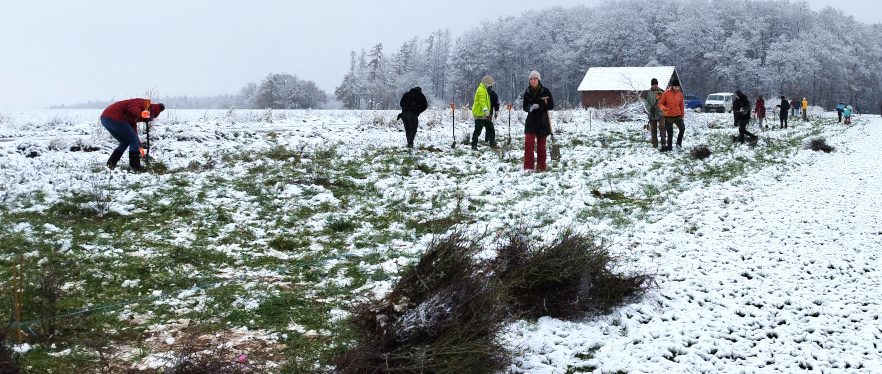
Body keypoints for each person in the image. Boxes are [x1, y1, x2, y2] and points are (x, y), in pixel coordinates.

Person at [100, 98, 165, 171]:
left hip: (106, 119)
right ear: (151, 112)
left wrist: (139, 145)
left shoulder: (134, 117)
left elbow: (133, 131)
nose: (149, 120)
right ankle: (135, 166)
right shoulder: (143, 103)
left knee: (125, 142)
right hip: (115, 116)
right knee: (133, 140)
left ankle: (111, 164)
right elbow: (131, 107)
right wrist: (141, 114)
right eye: (150, 117)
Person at [522, 70, 554, 171]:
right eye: (531, 79)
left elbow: (551, 105)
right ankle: (528, 167)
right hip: (531, 122)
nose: (533, 81)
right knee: (529, 144)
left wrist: (540, 106)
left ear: (538, 80)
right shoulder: (527, 92)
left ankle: (541, 167)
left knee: (541, 147)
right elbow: (524, 107)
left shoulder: (545, 91)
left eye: (535, 79)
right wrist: (529, 108)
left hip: (543, 122)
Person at [658, 79, 685, 152]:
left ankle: (678, 144)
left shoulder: (680, 94)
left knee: (682, 128)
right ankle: (669, 146)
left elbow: (681, 105)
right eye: (675, 87)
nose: (676, 88)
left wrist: (682, 115)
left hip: (677, 114)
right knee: (670, 132)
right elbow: (660, 103)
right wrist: (663, 107)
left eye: (677, 87)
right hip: (668, 115)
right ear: (672, 87)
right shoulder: (666, 93)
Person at [471, 75, 497, 149]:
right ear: (487, 83)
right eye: (490, 84)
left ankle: (492, 143)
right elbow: (482, 102)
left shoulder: (485, 89)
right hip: (479, 114)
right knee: (478, 130)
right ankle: (474, 145)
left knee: (491, 128)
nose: (491, 86)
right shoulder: (481, 90)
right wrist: (486, 112)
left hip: (485, 115)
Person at [642, 78, 666, 148]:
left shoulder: (661, 92)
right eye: (654, 84)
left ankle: (663, 142)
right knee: (653, 129)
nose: (655, 86)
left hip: (660, 113)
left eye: (656, 84)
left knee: (662, 127)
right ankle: (655, 144)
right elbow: (646, 102)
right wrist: (649, 108)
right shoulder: (648, 93)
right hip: (652, 114)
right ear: (651, 85)